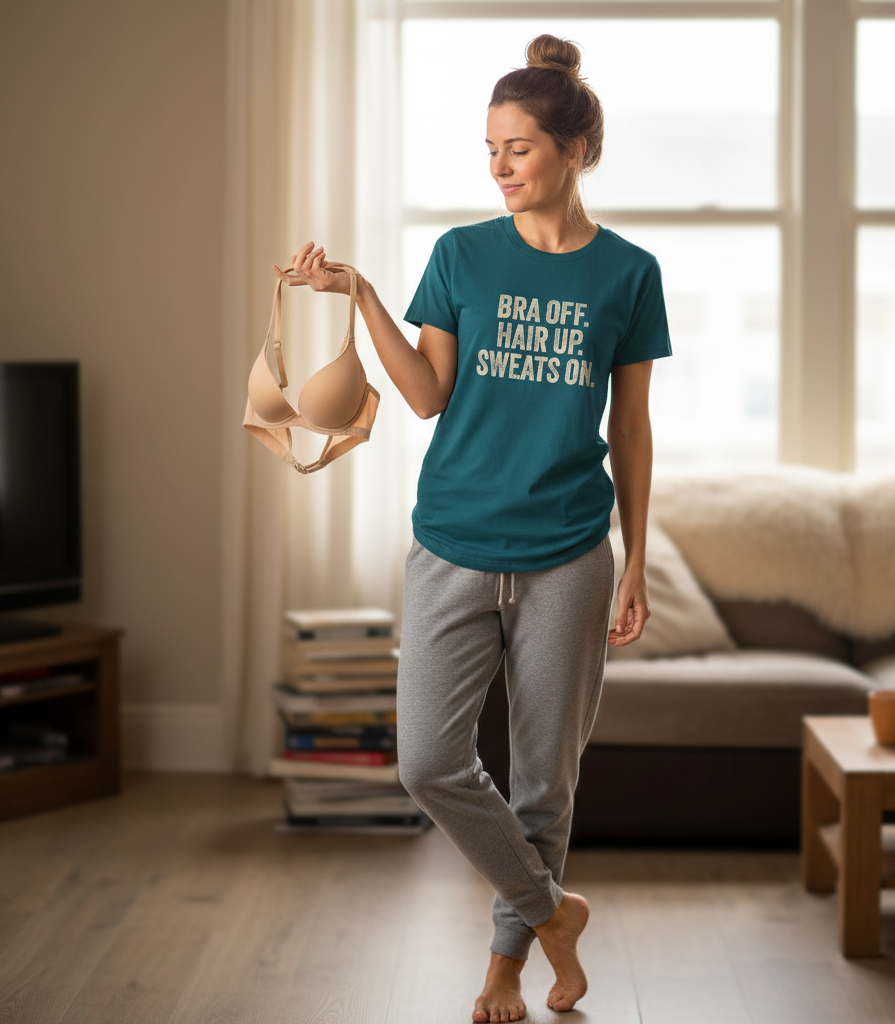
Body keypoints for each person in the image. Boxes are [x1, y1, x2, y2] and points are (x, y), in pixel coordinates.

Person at [274, 34, 671, 1023]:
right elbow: (424, 396)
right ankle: (552, 912)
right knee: (429, 761)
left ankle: (506, 970)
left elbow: (630, 427)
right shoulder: (460, 256)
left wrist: (637, 561)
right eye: (489, 147)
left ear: (574, 149)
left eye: (518, 148)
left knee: (546, 779)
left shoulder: (628, 274)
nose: (497, 166)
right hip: (451, 540)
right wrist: (361, 293)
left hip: (571, 552)